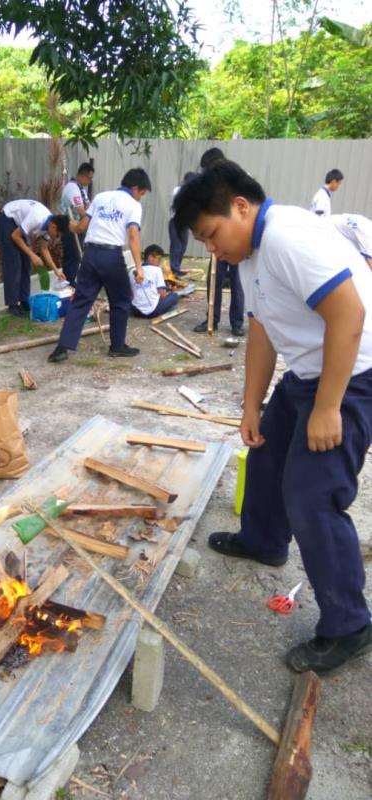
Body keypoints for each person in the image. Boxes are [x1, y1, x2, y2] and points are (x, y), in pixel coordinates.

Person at [173, 160, 372, 674]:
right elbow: (262, 330)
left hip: (353, 375)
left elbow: (349, 314)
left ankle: (350, 624)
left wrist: (328, 407)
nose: (212, 249)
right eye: (204, 242)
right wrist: (251, 405)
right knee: (264, 455)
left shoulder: (287, 237)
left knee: (312, 494)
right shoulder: (250, 253)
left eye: (212, 235)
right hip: (307, 374)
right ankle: (263, 541)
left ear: (241, 207)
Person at [47, 168, 151, 363]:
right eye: (142, 193)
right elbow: (133, 235)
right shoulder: (133, 205)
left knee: (81, 301)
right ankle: (117, 346)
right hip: (111, 256)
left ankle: (62, 347)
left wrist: (69, 226)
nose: (141, 198)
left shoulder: (101, 197)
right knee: (121, 300)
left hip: (90, 254)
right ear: (136, 188)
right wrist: (139, 267)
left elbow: (81, 227)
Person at [192, 148, 244, 336]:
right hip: (219, 240)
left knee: (238, 281)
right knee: (214, 279)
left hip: (237, 240)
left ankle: (237, 323)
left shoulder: (238, 179)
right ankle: (212, 319)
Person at [0, 199, 69, 316]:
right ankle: (12, 304)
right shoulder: (37, 218)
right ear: (54, 227)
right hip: (7, 218)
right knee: (14, 262)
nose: (56, 238)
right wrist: (33, 255)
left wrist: (56, 271)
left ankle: (24, 300)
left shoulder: (48, 226)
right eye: (57, 235)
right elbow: (15, 236)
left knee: (26, 262)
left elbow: (44, 249)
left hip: (18, 224)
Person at [60, 163, 94, 286]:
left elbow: (89, 208)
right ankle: (69, 284)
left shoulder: (81, 190)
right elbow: (81, 211)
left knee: (76, 258)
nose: (90, 181)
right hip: (70, 227)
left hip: (78, 228)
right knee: (72, 258)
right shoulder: (72, 188)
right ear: (81, 175)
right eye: (89, 178)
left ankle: (73, 282)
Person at [129, 244, 179, 318]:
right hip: (153, 312)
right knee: (175, 296)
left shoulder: (131, 271)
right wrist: (167, 292)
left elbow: (130, 293)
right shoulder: (156, 270)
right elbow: (162, 294)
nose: (159, 262)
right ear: (150, 257)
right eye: (158, 259)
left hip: (136, 311)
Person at [168, 172, 196, 277]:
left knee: (183, 247)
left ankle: (177, 268)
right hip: (175, 221)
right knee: (176, 247)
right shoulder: (178, 190)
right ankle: (174, 269)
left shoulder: (192, 192)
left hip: (185, 222)